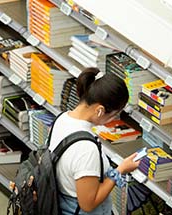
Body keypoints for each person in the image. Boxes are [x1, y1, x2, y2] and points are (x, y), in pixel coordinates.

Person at [48, 67, 140, 214]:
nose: (114, 120)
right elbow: (88, 204)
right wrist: (120, 170)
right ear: (100, 110)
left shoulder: (63, 118)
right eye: (114, 115)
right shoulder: (86, 149)